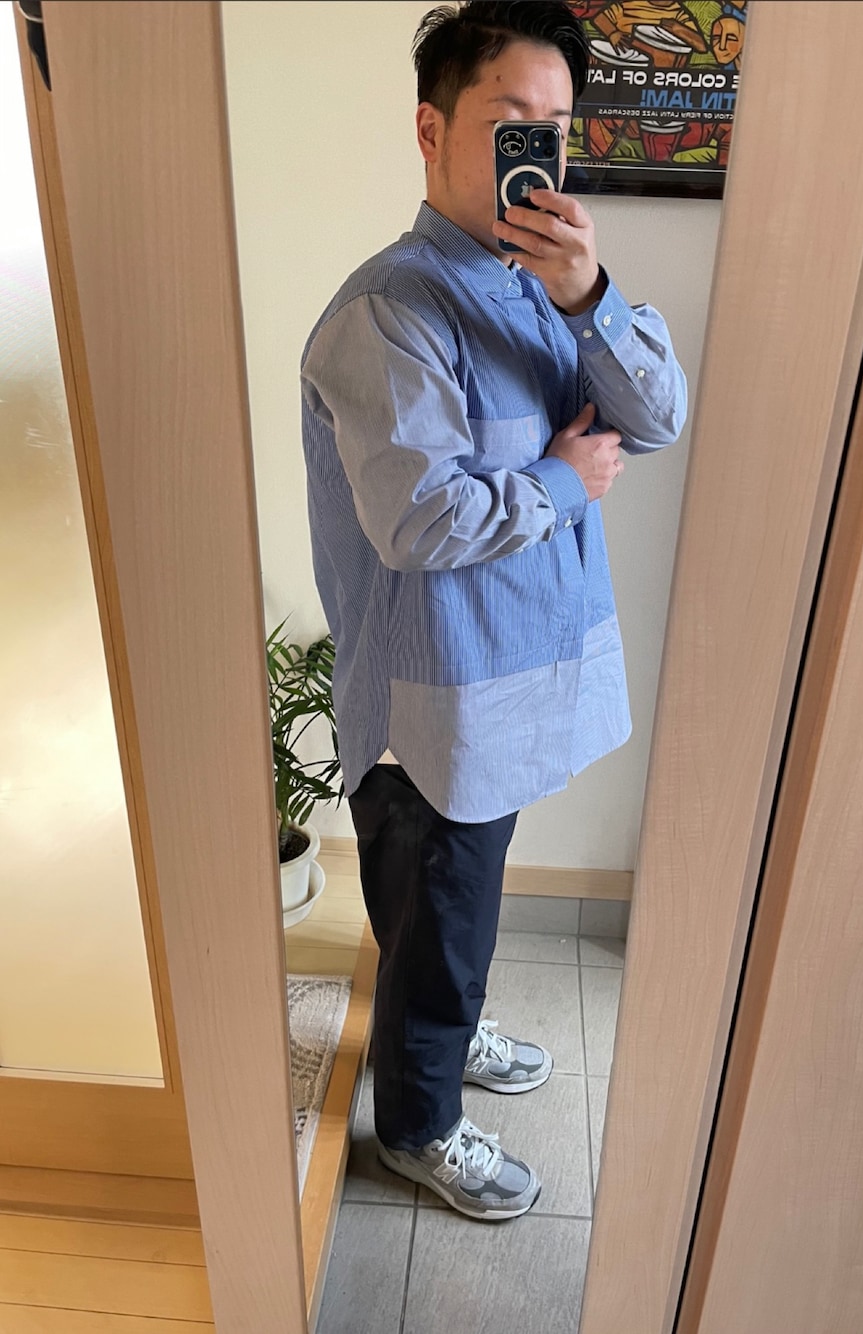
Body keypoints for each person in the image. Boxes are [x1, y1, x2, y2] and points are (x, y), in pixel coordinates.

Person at [300, 0, 686, 1222]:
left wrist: (591, 295)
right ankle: (418, 1124)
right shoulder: (390, 311)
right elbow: (417, 521)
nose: (541, 150)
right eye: (512, 120)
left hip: (511, 678)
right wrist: (563, 482)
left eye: (556, 127)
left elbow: (658, 417)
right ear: (432, 129)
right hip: (437, 703)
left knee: (455, 905)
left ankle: (447, 1030)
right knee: (435, 913)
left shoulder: (550, 289)